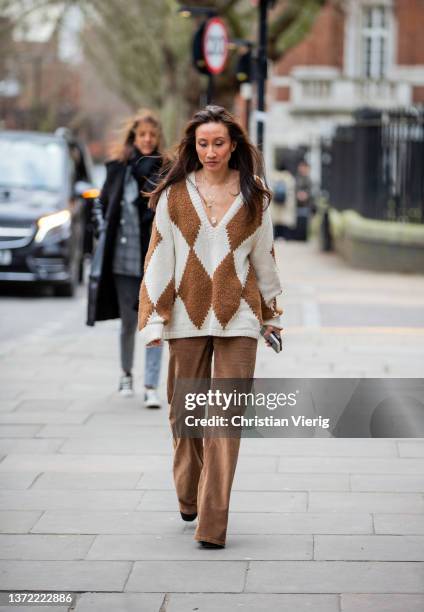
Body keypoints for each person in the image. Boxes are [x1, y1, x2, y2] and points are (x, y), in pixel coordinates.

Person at [138, 105, 283, 548]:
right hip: (184, 316)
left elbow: (265, 257)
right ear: (193, 146)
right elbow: (159, 258)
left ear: (233, 144)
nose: (211, 151)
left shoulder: (254, 194)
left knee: (225, 419)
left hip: (239, 315)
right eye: (203, 143)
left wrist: (272, 314)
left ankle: (213, 524)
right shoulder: (174, 196)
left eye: (219, 142)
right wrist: (154, 319)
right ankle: (188, 492)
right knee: (186, 418)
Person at [88, 109, 166, 407]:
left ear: (158, 138)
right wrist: (101, 228)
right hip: (122, 259)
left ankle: (150, 385)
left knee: (154, 322)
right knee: (128, 321)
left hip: (154, 260)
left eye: (152, 135)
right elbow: (101, 205)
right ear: (133, 137)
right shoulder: (118, 169)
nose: (147, 139)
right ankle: (125, 374)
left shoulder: (165, 171)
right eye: (142, 134)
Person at [269, 162, 296, 240]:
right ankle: (286, 237)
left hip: (275, 203)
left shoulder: (273, 176)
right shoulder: (289, 178)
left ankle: (276, 237)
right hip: (286, 205)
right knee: (285, 220)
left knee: (276, 220)